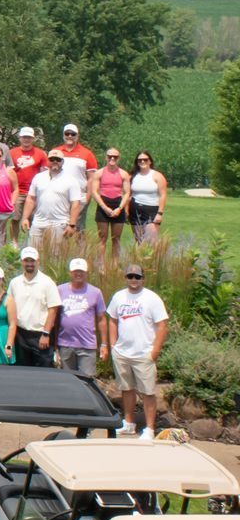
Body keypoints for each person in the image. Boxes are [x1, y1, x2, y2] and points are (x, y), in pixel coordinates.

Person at [107, 263, 168, 439]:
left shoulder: (151, 298)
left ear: (143, 279)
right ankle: (129, 423)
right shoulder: (119, 296)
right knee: (126, 389)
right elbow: (112, 319)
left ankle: (149, 428)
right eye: (130, 277)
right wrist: (113, 345)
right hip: (122, 352)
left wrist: (154, 351)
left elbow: (163, 325)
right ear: (126, 278)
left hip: (144, 353)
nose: (134, 280)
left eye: (137, 277)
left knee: (148, 392)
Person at [6, 246, 60, 368]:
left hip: (40, 335)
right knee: (22, 370)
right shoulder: (15, 282)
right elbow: (9, 306)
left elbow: (53, 310)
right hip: (20, 334)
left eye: (32, 261)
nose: (29, 264)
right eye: (26, 261)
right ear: (22, 262)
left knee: (43, 370)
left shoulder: (47, 282)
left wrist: (46, 334)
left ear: (38, 261)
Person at [54, 258, 108, 377]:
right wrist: (54, 345)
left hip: (87, 345)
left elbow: (101, 319)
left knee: (87, 381)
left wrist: (104, 344)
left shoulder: (95, 292)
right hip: (65, 344)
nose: (78, 274)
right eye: (75, 271)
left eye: (81, 271)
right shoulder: (60, 290)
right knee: (68, 380)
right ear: (70, 272)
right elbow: (54, 316)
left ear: (87, 273)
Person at [20, 157, 83, 253]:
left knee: (55, 258)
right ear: (47, 161)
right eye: (52, 159)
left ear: (62, 162)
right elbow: (31, 198)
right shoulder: (38, 177)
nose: (55, 162)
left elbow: (75, 203)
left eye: (58, 160)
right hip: (38, 222)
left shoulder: (70, 180)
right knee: (32, 254)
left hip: (59, 223)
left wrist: (72, 225)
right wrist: (25, 218)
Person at [90, 148, 131, 258]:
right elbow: (94, 192)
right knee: (102, 238)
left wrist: (120, 208)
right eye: (110, 156)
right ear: (106, 157)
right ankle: (101, 265)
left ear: (118, 158)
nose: (112, 158)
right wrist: (105, 208)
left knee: (116, 239)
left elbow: (127, 193)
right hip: (103, 205)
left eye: (115, 157)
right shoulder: (99, 173)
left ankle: (114, 266)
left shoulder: (124, 174)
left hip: (118, 205)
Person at [128, 151, 167, 244]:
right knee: (139, 241)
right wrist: (126, 212)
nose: (142, 162)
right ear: (137, 162)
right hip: (135, 211)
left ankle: (153, 259)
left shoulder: (157, 176)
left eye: (145, 159)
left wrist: (160, 213)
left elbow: (163, 195)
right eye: (140, 160)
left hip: (151, 210)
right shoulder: (133, 176)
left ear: (150, 161)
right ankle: (139, 259)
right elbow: (128, 195)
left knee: (151, 242)